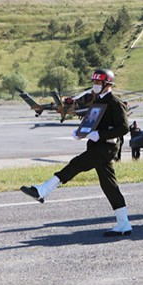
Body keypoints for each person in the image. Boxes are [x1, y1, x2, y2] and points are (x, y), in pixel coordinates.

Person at [20, 69, 132, 237]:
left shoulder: (115, 102)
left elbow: (124, 128)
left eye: (98, 83)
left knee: (76, 164)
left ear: (107, 84)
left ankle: (43, 190)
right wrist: (81, 132)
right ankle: (124, 223)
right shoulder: (98, 101)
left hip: (106, 147)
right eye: (94, 82)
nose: (95, 86)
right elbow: (92, 121)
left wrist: (100, 134)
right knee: (109, 185)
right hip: (96, 146)